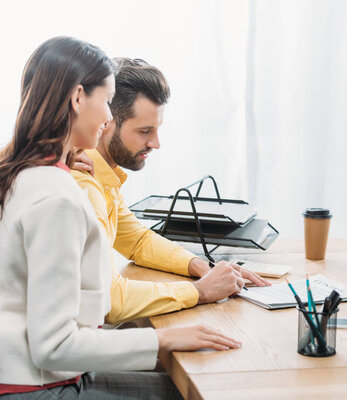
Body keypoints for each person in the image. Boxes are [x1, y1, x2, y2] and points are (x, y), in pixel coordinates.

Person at [0, 36, 240, 399]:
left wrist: (197, 268)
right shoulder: (60, 196)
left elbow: (135, 237)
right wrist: (165, 334)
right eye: (107, 102)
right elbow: (54, 345)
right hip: (39, 386)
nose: (110, 118)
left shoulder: (31, 173)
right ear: (78, 98)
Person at [71, 58, 269, 324]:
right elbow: (111, 301)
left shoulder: (104, 175)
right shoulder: (85, 183)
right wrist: (200, 291)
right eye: (144, 131)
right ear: (107, 121)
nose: (155, 143)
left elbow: (137, 241)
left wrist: (203, 267)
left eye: (157, 129)